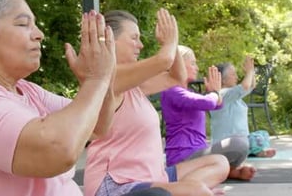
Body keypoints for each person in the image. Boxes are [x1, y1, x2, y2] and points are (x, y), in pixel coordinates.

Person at [0, 0, 172, 196]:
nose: (38, 34)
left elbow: (98, 127)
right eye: (23, 24)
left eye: (35, 25)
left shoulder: (28, 91)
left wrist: (95, 81)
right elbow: (57, 150)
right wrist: (96, 79)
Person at [84, 10, 229, 196]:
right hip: (116, 184)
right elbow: (163, 60)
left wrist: (172, 44)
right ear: (110, 39)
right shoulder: (108, 77)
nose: (141, 45)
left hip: (152, 177)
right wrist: (170, 40)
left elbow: (177, 77)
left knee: (219, 163)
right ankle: (190, 192)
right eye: (134, 38)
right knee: (195, 190)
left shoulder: (135, 84)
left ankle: (186, 191)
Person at [160, 45, 256, 180]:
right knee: (238, 144)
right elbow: (209, 102)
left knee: (240, 146)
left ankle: (226, 171)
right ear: (178, 65)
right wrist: (214, 93)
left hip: (198, 154)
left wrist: (213, 94)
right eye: (192, 63)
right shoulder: (172, 91)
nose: (197, 68)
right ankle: (200, 177)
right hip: (182, 159)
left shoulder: (187, 92)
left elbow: (215, 105)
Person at [210, 56, 276, 158]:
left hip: (239, 140)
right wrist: (249, 72)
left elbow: (251, 86)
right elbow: (245, 86)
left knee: (262, 134)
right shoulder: (222, 94)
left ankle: (252, 150)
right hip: (227, 142)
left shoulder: (233, 96)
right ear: (222, 80)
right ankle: (256, 151)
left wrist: (251, 71)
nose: (236, 77)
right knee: (255, 139)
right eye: (233, 74)